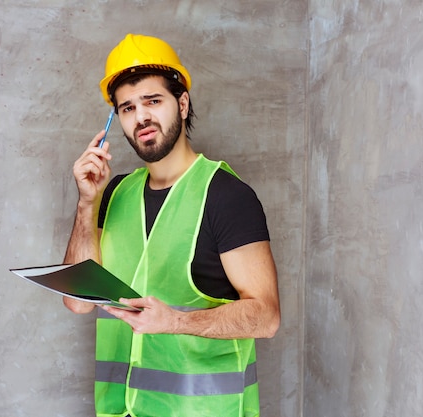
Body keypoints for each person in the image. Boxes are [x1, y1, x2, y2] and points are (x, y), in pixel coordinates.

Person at [63, 33, 280, 417]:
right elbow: (78, 302)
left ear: (182, 103)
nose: (141, 117)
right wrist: (86, 203)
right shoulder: (114, 194)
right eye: (127, 108)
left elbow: (266, 317)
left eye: (152, 101)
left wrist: (175, 321)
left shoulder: (226, 196)